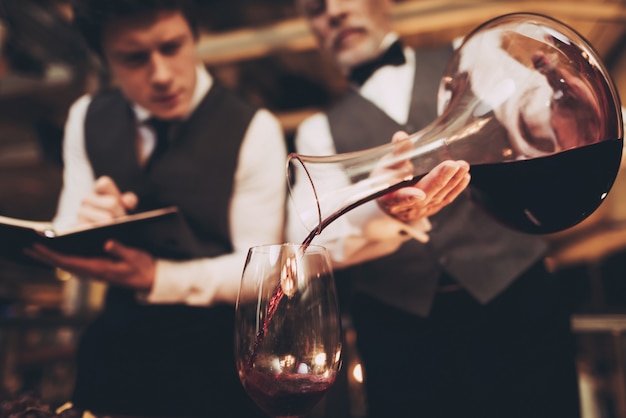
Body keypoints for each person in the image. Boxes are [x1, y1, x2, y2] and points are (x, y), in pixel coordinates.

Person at [288, 1, 584, 417]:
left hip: (517, 304)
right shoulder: (316, 130)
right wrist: (380, 213)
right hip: (402, 337)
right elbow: (310, 233)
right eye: (315, 7)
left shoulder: (470, 56)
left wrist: (561, 111)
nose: (334, 11)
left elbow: (534, 121)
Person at [25, 1, 286, 416]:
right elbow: (65, 228)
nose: (162, 75)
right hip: (116, 350)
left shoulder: (254, 129)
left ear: (193, 34)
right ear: (105, 59)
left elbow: (262, 276)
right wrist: (88, 228)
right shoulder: (85, 117)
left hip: (218, 357)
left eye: (172, 47)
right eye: (134, 58)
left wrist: (156, 276)